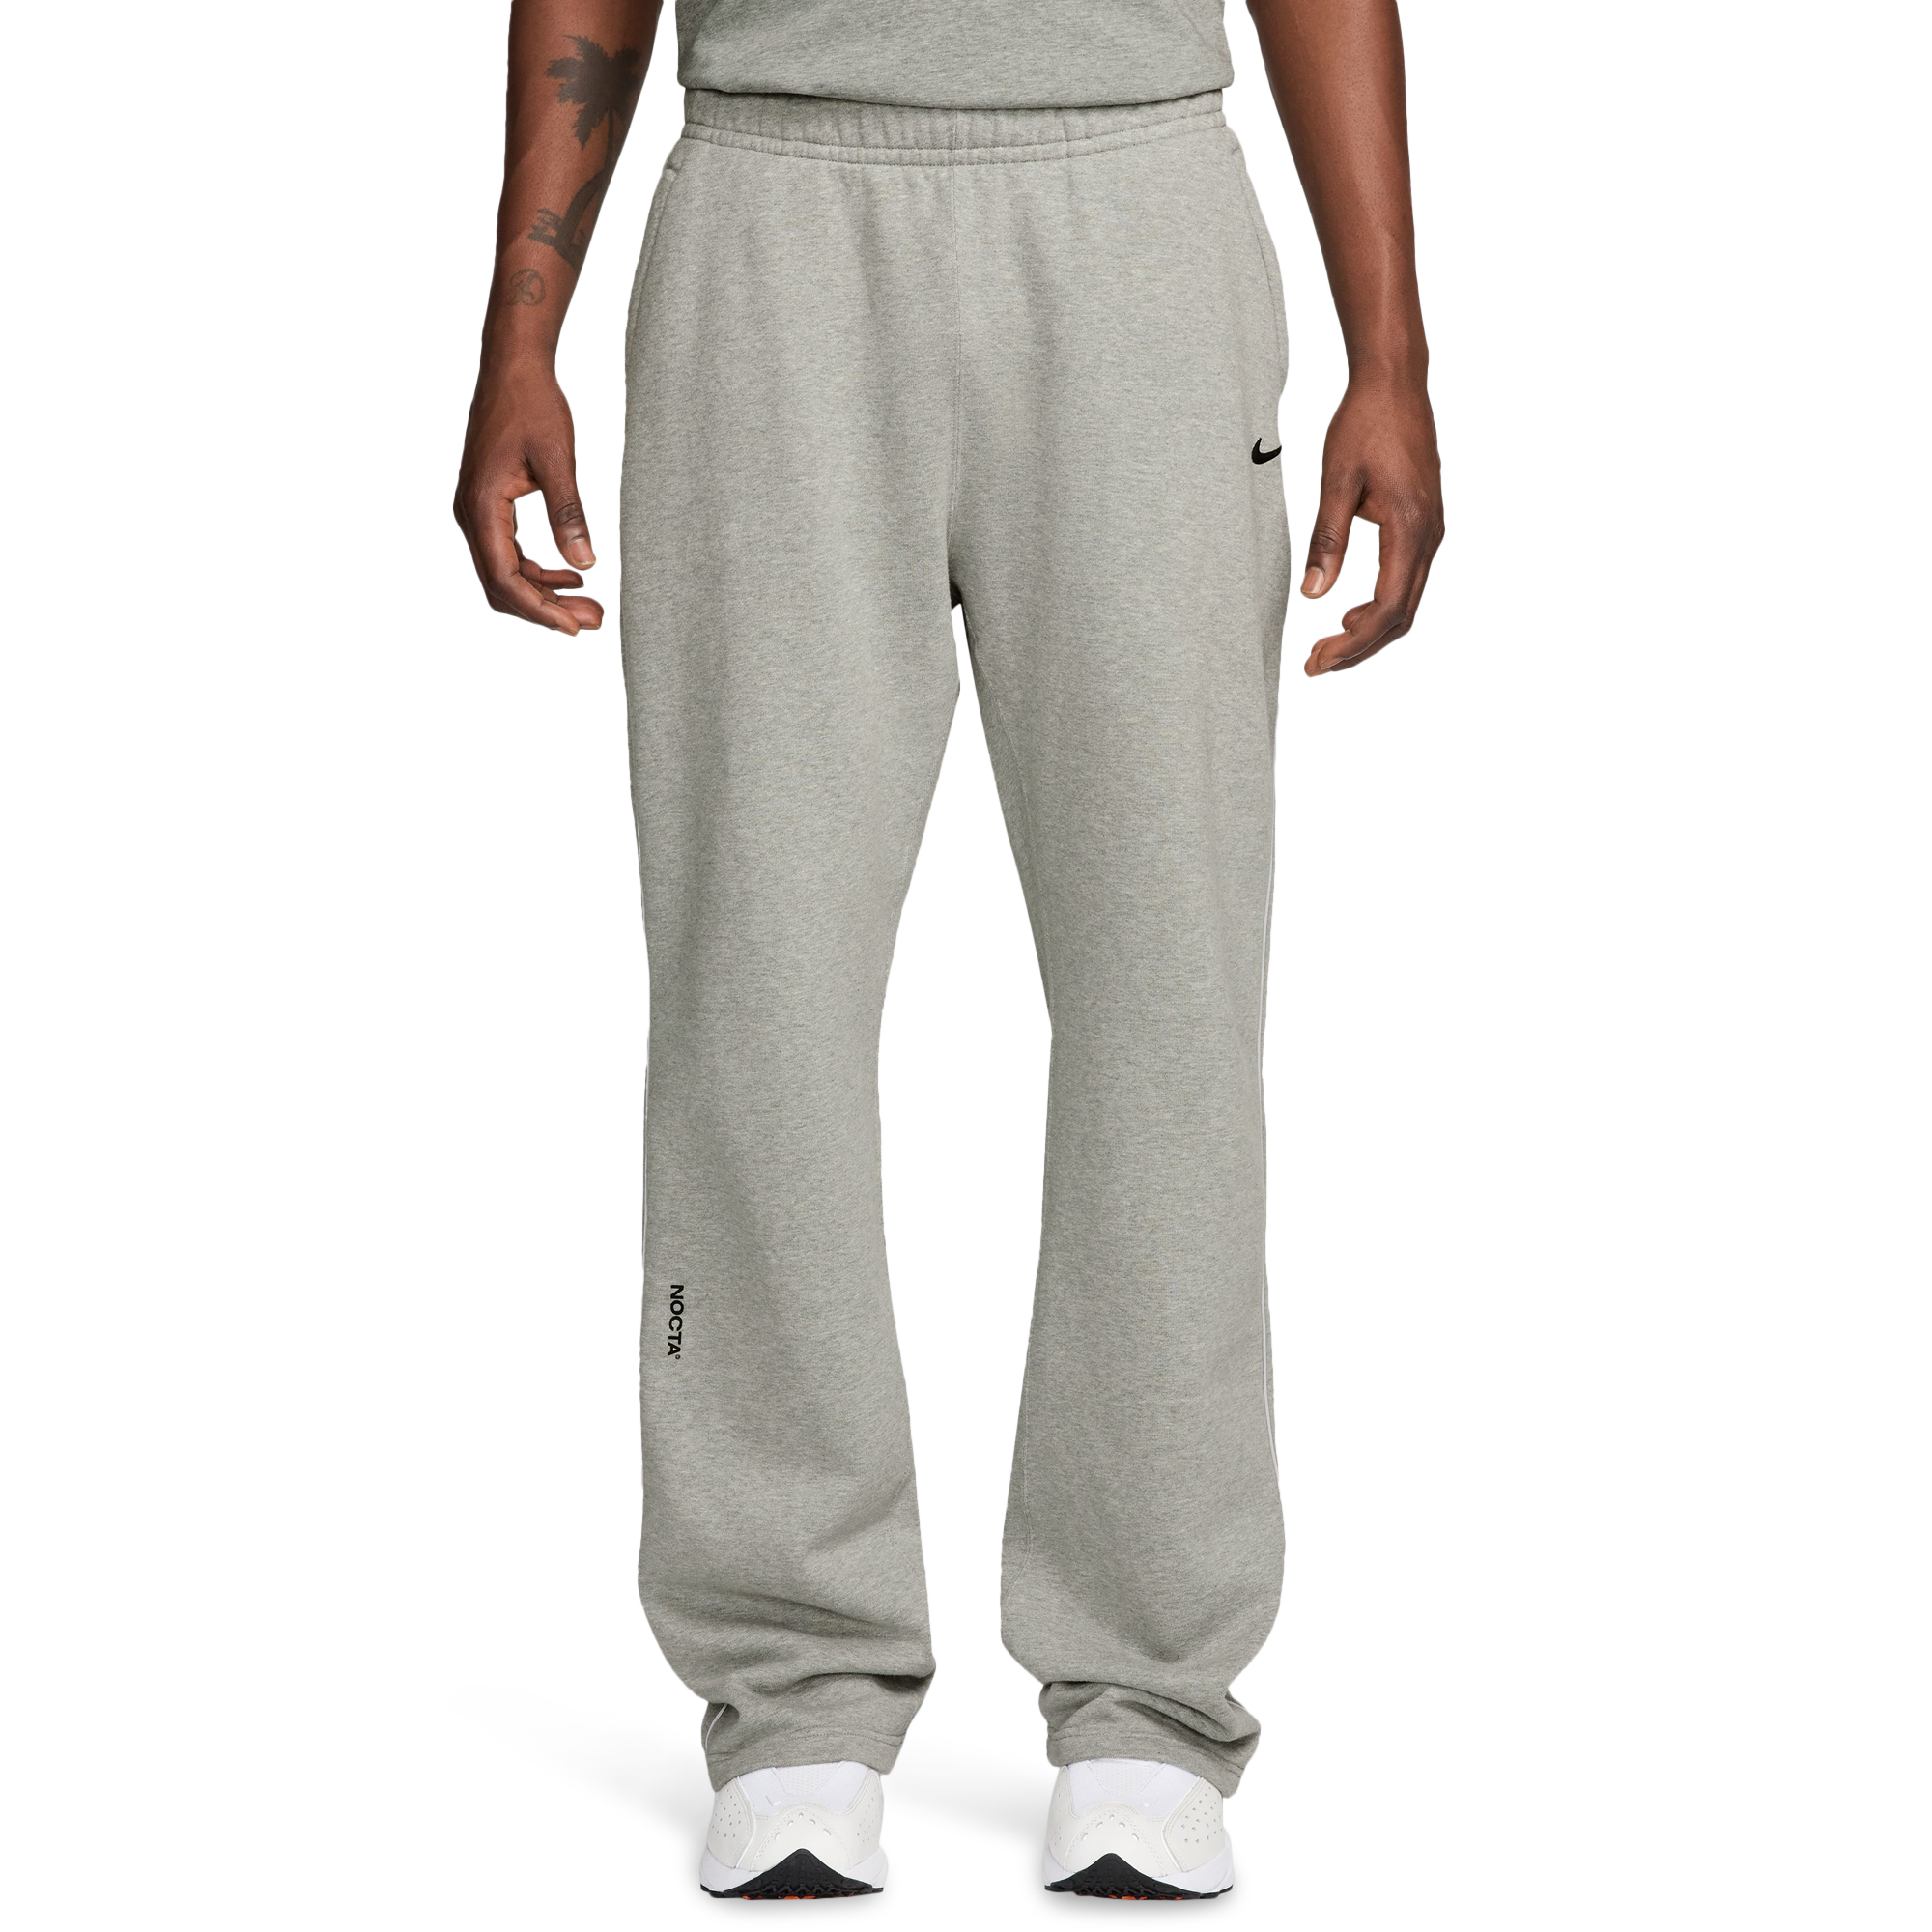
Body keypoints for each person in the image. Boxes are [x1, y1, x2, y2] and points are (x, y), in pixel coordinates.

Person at [456, 0, 1442, 1901]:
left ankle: (1150, 1698)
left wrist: (1388, 353)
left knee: (1166, 986)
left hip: (1134, 203)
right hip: (770, 218)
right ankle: (788, 1691)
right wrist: (522, 325)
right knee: (755, 995)